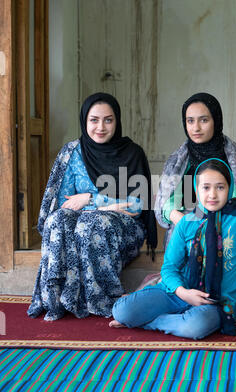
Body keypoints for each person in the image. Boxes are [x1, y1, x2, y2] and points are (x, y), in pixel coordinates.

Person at [109, 158, 236, 339]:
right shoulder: (187, 221)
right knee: (122, 311)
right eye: (206, 187)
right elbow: (169, 268)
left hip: (216, 300)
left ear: (229, 188)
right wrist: (183, 293)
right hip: (180, 291)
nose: (212, 194)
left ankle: (150, 322)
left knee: (194, 327)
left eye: (220, 187)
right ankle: (153, 316)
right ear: (197, 190)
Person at [27, 92, 157, 321]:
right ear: (84, 121)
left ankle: (104, 300)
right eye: (94, 120)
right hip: (85, 222)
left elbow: (136, 205)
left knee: (89, 223)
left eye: (108, 120)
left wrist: (91, 199)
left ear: (117, 121)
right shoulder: (73, 153)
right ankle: (56, 299)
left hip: (124, 229)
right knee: (57, 221)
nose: (101, 127)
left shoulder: (131, 153)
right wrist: (112, 204)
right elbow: (64, 204)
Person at [155, 92, 236, 249]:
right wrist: (181, 219)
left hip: (225, 220)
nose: (196, 128)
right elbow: (168, 202)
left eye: (204, 120)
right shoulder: (178, 160)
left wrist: (213, 223)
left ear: (216, 120)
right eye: (190, 121)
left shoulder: (235, 156)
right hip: (186, 221)